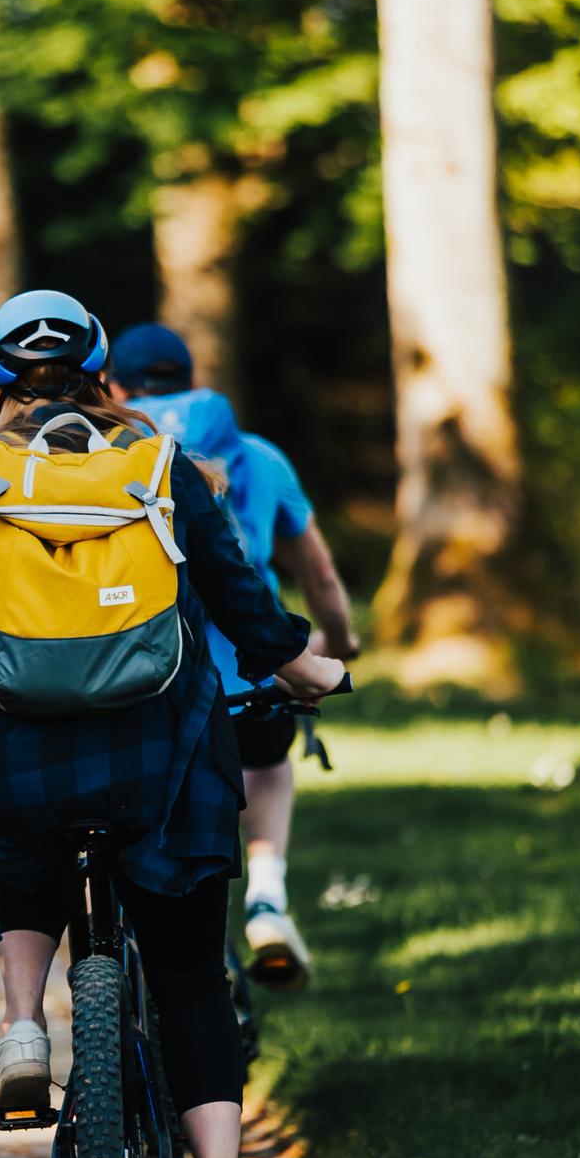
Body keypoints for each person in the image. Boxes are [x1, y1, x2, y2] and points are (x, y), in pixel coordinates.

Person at [0, 289, 343, 1158]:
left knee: (22, 838)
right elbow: (237, 599)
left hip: (16, 751)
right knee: (184, 972)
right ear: (104, 375)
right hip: (157, 753)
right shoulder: (164, 465)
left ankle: (22, 1028)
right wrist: (299, 664)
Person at [107, 322, 359, 989]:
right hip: (254, 670)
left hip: (139, 675)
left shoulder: (108, 456)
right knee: (269, 764)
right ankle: (267, 896)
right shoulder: (258, 457)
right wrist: (337, 642)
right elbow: (321, 577)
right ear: (192, 380)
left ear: (113, 386)